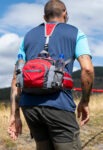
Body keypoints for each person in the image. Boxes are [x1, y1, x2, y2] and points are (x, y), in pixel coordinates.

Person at [8, 0, 94, 149]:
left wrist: (14, 115)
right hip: (59, 104)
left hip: (30, 107)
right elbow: (87, 69)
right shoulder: (75, 33)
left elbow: (17, 76)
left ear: (44, 17)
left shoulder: (28, 36)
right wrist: (85, 101)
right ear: (65, 13)